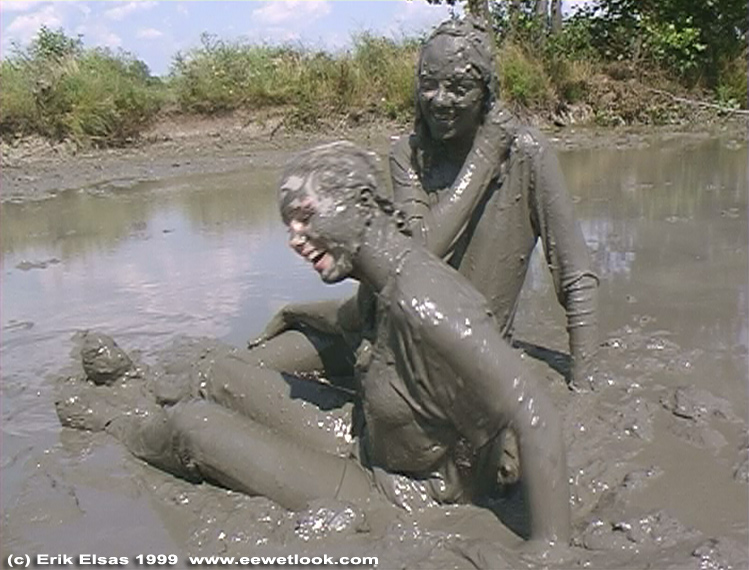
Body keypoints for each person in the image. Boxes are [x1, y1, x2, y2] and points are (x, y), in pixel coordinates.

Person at [56, 142, 571, 548]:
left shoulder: (426, 302)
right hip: (369, 438)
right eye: (290, 225)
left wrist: (549, 548)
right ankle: (135, 385)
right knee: (217, 371)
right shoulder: (383, 279)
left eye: (305, 217)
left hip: (405, 493)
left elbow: (536, 412)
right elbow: (346, 319)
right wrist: (292, 313)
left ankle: (116, 422)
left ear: (362, 205)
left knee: (194, 427)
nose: (294, 238)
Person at [388, 16, 598, 389]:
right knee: (277, 352)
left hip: (472, 360)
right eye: (428, 84)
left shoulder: (525, 154)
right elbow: (415, 259)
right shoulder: (409, 155)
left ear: (486, 93)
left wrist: (585, 385)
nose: (440, 100)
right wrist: (484, 158)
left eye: (459, 87)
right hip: (397, 340)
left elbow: (576, 276)